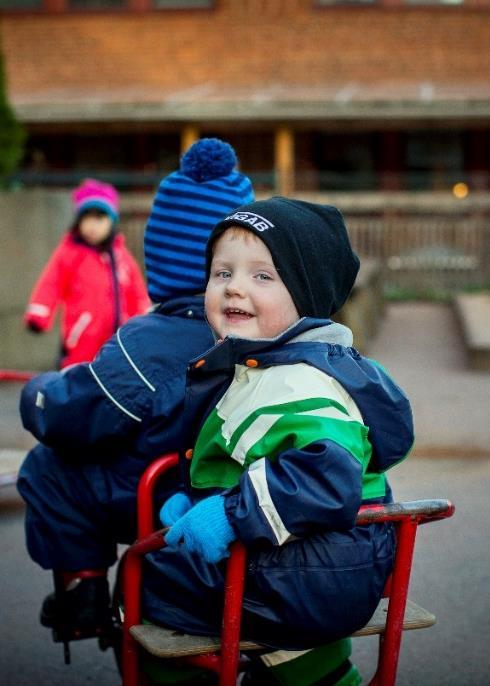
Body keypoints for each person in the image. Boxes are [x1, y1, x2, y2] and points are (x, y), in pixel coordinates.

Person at [140, 197, 414, 686]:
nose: (234, 288)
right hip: (327, 563)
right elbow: (257, 459)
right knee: (191, 567)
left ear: (305, 298)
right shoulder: (269, 366)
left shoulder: (298, 382)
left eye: (262, 276)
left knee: (153, 583)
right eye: (222, 273)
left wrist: (227, 513)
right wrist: (201, 496)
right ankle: (318, 672)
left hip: (319, 570)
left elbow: (326, 475)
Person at [16, 138, 255, 652]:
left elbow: (72, 413)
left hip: (157, 497)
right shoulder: (265, 330)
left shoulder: (149, 342)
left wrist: (37, 394)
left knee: (49, 466)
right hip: (234, 498)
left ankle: (82, 589)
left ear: (162, 254)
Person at [24, 178, 150, 368]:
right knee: (77, 381)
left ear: (112, 221)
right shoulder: (70, 252)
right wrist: (39, 313)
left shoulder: (121, 256)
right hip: (81, 339)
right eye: (86, 217)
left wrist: (145, 321)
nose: (92, 225)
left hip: (119, 339)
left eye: (99, 218)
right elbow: (51, 282)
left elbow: (137, 291)